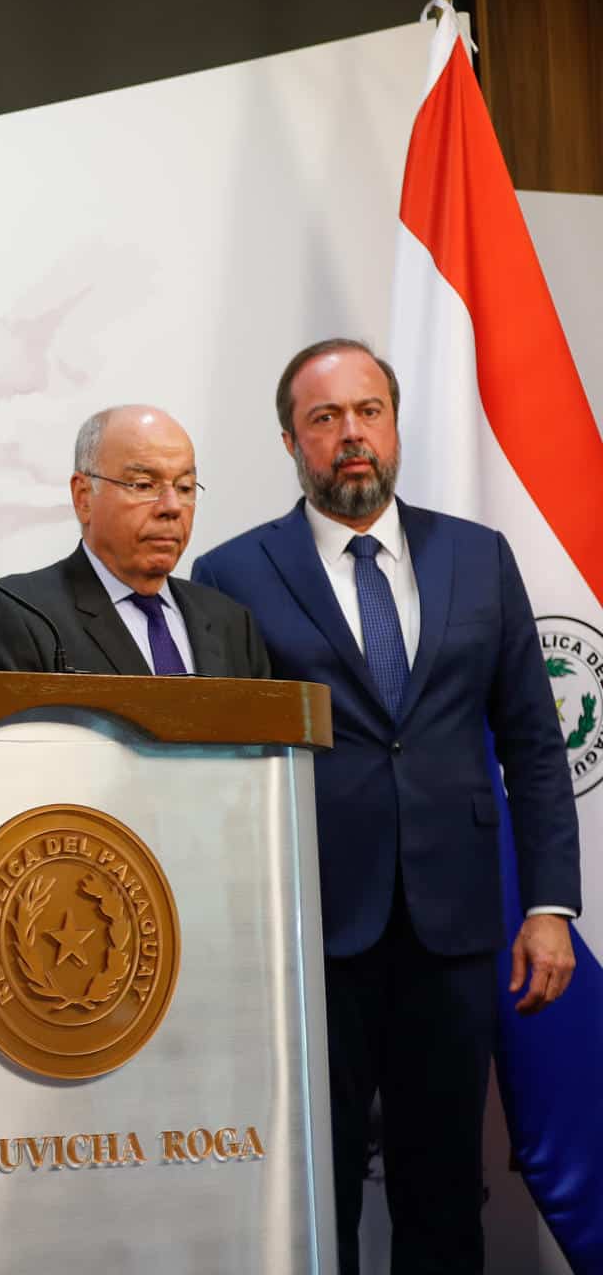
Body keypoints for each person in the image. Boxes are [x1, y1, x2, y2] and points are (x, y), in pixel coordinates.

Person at [191, 338, 580, 1274]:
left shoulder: (479, 558)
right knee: (314, 1185)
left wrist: (549, 907)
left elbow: (532, 742)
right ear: (292, 439)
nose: (350, 436)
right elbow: (221, 770)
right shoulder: (235, 572)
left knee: (445, 1186)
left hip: (454, 927)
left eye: (368, 411)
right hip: (310, 930)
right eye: (325, 419)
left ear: (395, 425)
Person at [0, 406, 270, 677]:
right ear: (83, 497)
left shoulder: (231, 623)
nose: (172, 507)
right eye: (144, 484)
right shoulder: (22, 615)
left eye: (185, 487)